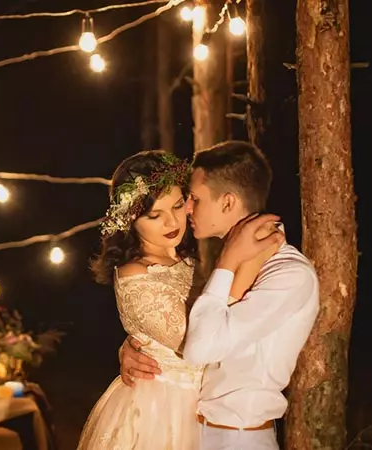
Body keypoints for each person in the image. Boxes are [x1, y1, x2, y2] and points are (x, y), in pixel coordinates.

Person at [119, 141, 319, 449]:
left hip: (240, 438)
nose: (187, 209)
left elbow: (200, 348)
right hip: (194, 429)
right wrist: (137, 343)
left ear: (227, 203)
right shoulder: (231, 266)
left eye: (193, 199)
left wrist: (229, 259)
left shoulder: (287, 275)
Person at [77, 149, 273, 450]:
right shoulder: (135, 274)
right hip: (161, 412)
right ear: (130, 220)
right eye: (155, 215)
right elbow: (201, 341)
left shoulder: (188, 259)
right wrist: (233, 259)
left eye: (179, 205)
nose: (171, 222)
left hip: (210, 402)